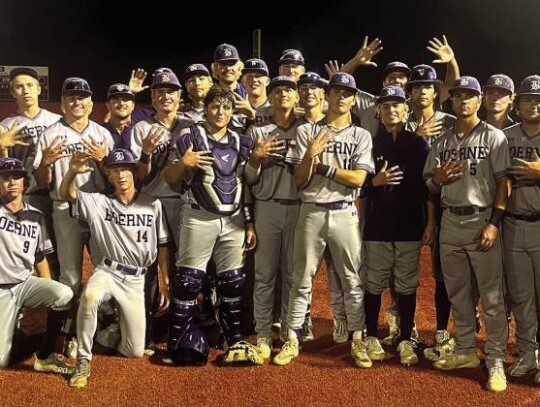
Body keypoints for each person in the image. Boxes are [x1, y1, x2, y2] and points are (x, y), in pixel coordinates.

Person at [162, 87, 277, 365]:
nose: (221, 112)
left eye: (226, 107)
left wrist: (249, 221)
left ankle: (234, 339)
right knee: (188, 282)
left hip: (234, 219)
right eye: (215, 107)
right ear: (206, 108)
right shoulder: (189, 137)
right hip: (199, 215)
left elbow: (246, 182)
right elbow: (170, 178)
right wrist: (184, 163)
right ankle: (176, 342)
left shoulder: (242, 141)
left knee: (233, 282)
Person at [275, 72, 374, 367]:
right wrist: (310, 156)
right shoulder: (308, 131)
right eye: (336, 92)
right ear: (326, 96)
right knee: (300, 277)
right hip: (312, 210)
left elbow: (358, 179)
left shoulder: (361, 135)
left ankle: (357, 339)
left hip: (345, 210)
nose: (341, 97)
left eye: (347, 93)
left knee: (352, 279)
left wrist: (324, 169)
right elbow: (300, 180)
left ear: (353, 100)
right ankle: (291, 338)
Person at [423, 76, 510, 392]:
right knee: (457, 293)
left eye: (470, 96)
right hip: (450, 222)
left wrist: (494, 223)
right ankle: (464, 351)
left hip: (480, 220)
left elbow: (504, 182)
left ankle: (497, 359)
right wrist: (438, 179)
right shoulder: (442, 141)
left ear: (478, 101)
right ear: (452, 101)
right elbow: (430, 185)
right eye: (458, 95)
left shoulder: (494, 137)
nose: (463, 100)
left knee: (491, 297)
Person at [59, 148, 170, 388]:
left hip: (137, 281)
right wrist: (71, 172)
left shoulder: (153, 204)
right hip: (108, 272)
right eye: (115, 170)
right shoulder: (98, 202)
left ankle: (101, 332)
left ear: (134, 173)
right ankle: (83, 359)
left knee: (135, 351)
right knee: (90, 296)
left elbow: (162, 245)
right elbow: (66, 193)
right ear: (108, 176)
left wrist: (165, 281)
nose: (121, 175)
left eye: (126, 170)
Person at [33, 77, 114, 359]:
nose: (77, 102)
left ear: (91, 103)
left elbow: (115, 179)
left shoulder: (103, 134)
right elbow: (42, 181)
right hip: (64, 208)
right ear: (63, 104)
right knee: (69, 275)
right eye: (71, 98)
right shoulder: (49, 134)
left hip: (99, 206)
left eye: (82, 97)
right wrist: (45, 162)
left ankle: (102, 324)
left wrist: (104, 159)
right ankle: (67, 330)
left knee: (104, 269)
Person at [361, 85, 433, 366]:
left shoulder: (418, 144)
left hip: (409, 225)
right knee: (374, 283)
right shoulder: (370, 143)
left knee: (406, 284)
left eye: (397, 105)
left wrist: (430, 223)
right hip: (378, 226)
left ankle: (404, 337)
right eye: (386, 105)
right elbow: (359, 184)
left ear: (406, 110)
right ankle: (369, 335)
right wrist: (373, 182)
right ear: (378, 110)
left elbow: (426, 188)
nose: (391, 110)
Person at [244, 75, 302, 359]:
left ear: (296, 97)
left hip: (298, 208)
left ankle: (291, 334)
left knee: (293, 275)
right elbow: (248, 179)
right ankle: (264, 333)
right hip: (266, 206)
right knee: (264, 275)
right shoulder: (259, 131)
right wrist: (255, 158)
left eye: (289, 90)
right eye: (278, 90)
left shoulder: (306, 130)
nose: (283, 95)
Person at [403, 64, 457, 360]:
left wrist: (452, 61)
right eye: (417, 86)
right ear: (409, 92)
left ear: (437, 92)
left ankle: (441, 329)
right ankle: (404, 326)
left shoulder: (450, 121)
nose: (422, 90)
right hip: (409, 202)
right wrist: (416, 137)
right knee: (403, 270)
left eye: (428, 86)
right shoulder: (401, 121)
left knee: (443, 272)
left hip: (442, 201)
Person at [0, 157, 73, 373]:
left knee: (63, 294)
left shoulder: (36, 216)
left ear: (25, 183)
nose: (12, 182)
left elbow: (39, 256)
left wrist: (47, 290)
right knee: (2, 361)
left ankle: (45, 354)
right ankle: (23, 339)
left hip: (24, 283)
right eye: (5, 178)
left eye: (17, 178)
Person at [0, 67, 62, 281]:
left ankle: (61, 303)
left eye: (29, 85)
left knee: (58, 251)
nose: (25, 90)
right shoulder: (5, 126)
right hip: (26, 196)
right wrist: (2, 148)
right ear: (12, 92)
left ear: (38, 89)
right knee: (27, 252)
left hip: (54, 194)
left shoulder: (56, 120)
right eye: (19, 86)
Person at [503, 75, 540, 383]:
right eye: (528, 98)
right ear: (518, 104)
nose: (534, 103)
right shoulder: (506, 137)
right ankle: (527, 354)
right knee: (521, 297)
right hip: (513, 226)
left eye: (538, 99)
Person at [103, 83, 136, 150]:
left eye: (125, 99)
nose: (121, 103)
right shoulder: (99, 132)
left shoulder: (141, 130)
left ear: (133, 105)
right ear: (108, 105)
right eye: (115, 99)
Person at [241, 58, 273, 124]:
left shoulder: (276, 109)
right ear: (243, 81)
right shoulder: (236, 107)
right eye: (249, 76)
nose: (254, 80)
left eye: (258, 76)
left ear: (267, 81)